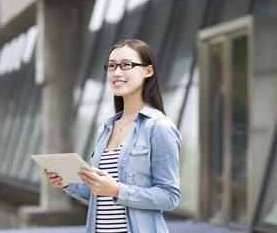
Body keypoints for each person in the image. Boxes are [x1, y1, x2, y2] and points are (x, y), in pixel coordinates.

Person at [43, 39, 181, 233]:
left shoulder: (159, 127)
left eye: (126, 65)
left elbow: (169, 197)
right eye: (112, 66)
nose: (116, 73)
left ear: (148, 71)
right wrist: (67, 182)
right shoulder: (105, 129)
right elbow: (98, 196)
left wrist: (117, 190)